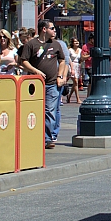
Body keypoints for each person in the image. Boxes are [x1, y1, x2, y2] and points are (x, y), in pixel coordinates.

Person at [19, 19, 66, 149]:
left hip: (51, 83)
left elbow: (62, 61)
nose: (54, 31)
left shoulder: (56, 44)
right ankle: (32, 135)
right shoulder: (31, 44)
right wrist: (35, 71)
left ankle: (47, 138)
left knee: (50, 110)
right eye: (52, 28)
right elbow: (23, 61)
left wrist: (60, 76)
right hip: (34, 83)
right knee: (33, 110)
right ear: (44, 29)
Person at [67, 37, 82, 102]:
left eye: (77, 41)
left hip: (78, 66)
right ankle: (78, 99)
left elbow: (81, 59)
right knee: (75, 81)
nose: (77, 43)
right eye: (75, 42)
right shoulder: (70, 50)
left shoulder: (80, 50)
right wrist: (71, 67)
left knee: (75, 83)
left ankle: (69, 97)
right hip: (71, 65)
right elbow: (68, 58)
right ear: (72, 43)